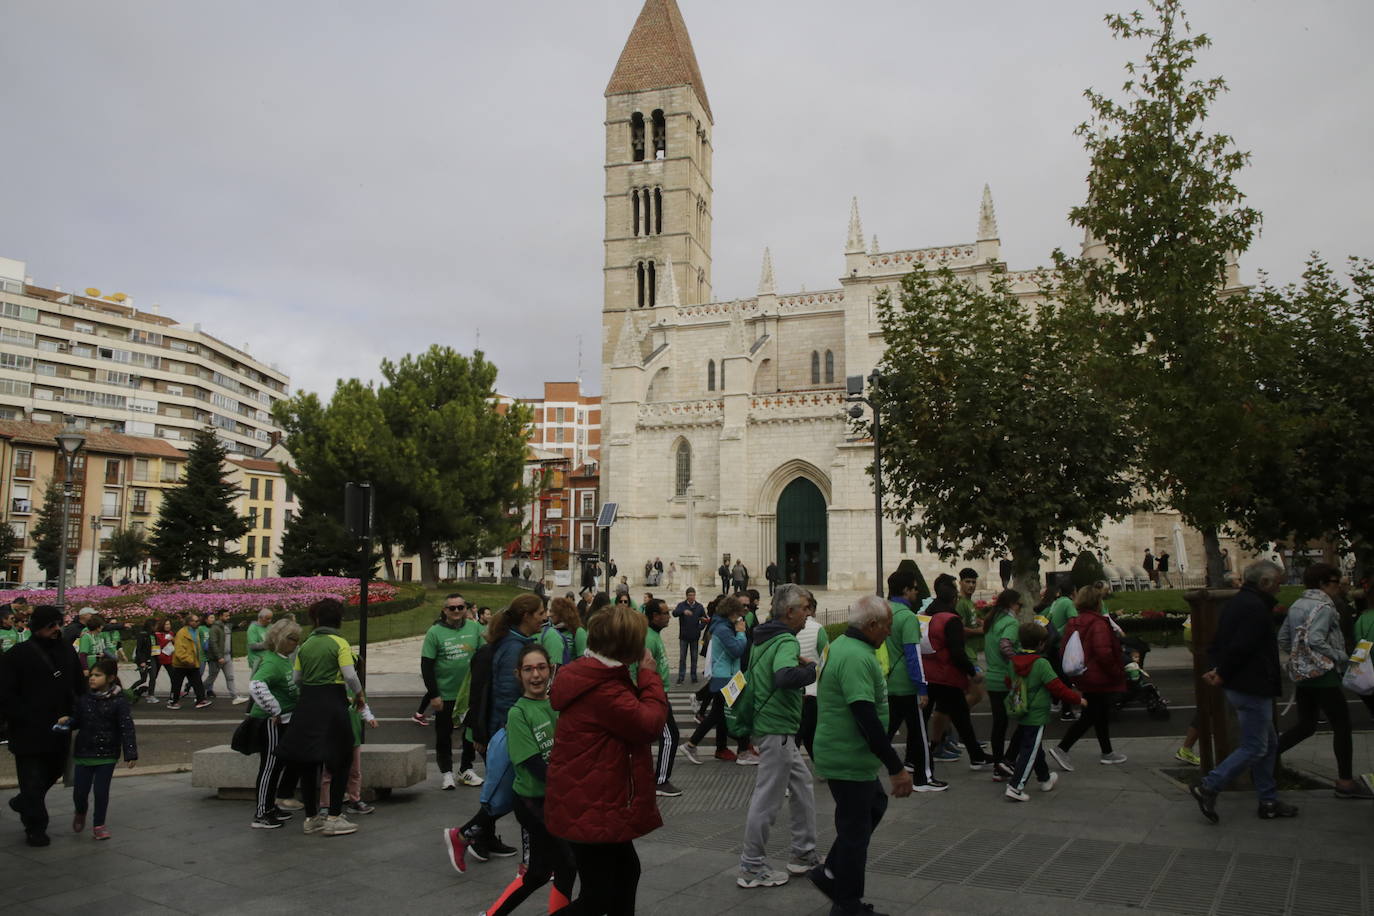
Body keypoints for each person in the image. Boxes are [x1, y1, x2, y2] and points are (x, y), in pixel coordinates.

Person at [545, 603, 667, 915]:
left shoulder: (595, 674)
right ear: (626, 647)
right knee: (598, 896)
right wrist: (650, 677)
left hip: (596, 799)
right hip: (593, 802)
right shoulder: (605, 688)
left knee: (626, 873)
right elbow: (648, 724)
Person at [809, 595, 913, 916]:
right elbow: (865, 717)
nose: (889, 633)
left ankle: (829, 874)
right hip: (848, 756)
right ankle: (847, 903)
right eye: (887, 627)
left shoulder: (840, 645)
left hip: (845, 753)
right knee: (855, 831)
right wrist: (896, 767)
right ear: (871, 625)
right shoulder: (855, 656)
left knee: (873, 806)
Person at [470, 644, 579, 910]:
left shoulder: (556, 705)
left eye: (541, 667)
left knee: (539, 874)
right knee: (567, 863)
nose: (536, 675)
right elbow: (534, 765)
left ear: (551, 669)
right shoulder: (518, 713)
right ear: (519, 674)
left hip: (555, 799)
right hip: (533, 802)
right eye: (529, 669)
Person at [1191, 560, 1299, 822]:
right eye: (1277, 584)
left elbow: (1218, 642)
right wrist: (1222, 671)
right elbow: (1242, 646)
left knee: (1269, 744)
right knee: (1255, 746)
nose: (1279, 590)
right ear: (1264, 583)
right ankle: (1209, 785)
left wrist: (1216, 668)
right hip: (1251, 684)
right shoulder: (1255, 608)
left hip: (1242, 683)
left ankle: (1268, 799)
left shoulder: (1237, 603)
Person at [737, 583, 819, 889]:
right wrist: (811, 671)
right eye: (804, 609)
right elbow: (783, 677)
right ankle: (751, 865)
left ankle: (803, 852)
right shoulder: (785, 639)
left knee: (802, 783)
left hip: (771, 725)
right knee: (768, 797)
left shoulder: (763, 636)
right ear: (790, 611)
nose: (808, 614)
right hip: (778, 728)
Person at [1275, 563, 1371, 798]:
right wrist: (1339, 657)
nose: (1340, 588)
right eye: (1335, 583)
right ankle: (1345, 782)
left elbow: (1284, 638)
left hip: (1304, 675)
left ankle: (1264, 758)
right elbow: (1316, 638)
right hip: (1323, 675)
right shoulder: (1325, 607)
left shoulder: (1298, 604)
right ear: (1322, 584)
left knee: (1306, 725)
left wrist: (1299, 658)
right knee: (1342, 725)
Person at [276, 598, 366, 837]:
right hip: (333, 703)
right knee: (340, 760)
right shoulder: (339, 643)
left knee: (308, 762)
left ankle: (311, 818)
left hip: (308, 704)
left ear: (315, 619)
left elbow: (296, 679)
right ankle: (334, 816)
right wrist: (359, 695)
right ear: (339, 620)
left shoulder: (305, 645)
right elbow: (350, 675)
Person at [0, 605, 85, 846]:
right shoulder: (17, 654)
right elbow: (6, 693)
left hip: (60, 728)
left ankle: (24, 801)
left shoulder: (66, 651)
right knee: (32, 778)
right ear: (38, 627)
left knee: (54, 771)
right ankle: (36, 827)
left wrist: (82, 711)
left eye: (58, 624)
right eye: (50, 625)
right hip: (28, 730)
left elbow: (78, 685)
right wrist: (20, 716)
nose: (56, 629)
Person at [1047, 584, 1127, 770]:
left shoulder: (1075, 621)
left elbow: (1064, 646)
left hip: (1083, 672)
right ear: (1097, 601)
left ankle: (1107, 752)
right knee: (1091, 714)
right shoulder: (1098, 623)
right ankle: (1062, 748)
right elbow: (1103, 652)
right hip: (1097, 674)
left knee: (1099, 713)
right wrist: (1116, 671)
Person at [1002, 622, 1084, 801]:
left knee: (1034, 746)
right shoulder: (1041, 663)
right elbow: (1057, 688)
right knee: (1029, 750)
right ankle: (1015, 786)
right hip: (1037, 713)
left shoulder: (1013, 661)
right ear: (1041, 643)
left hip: (1021, 709)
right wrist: (1078, 699)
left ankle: (1045, 778)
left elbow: (1008, 682)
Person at [59, 658, 137, 839]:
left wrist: (130, 752)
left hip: (107, 754)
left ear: (110, 678)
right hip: (84, 752)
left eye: (98, 675)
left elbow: (127, 727)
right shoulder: (84, 699)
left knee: (101, 792)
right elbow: (77, 721)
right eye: (91, 675)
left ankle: (99, 824)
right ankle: (80, 811)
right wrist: (66, 722)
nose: (92, 678)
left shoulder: (119, 702)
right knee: (80, 792)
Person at [882, 566, 944, 791]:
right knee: (918, 731)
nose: (917, 593)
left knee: (885, 731)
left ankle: (862, 765)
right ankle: (923, 778)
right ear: (906, 590)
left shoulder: (883, 611)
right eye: (915, 589)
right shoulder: (907, 617)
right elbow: (913, 656)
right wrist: (922, 687)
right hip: (906, 684)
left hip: (887, 681)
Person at [923, 575, 992, 769]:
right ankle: (971, 755)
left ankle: (941, 749)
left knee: (950, 714)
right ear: (953, 600)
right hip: (947, 675)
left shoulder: (929, 615)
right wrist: (972, 672)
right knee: (960, 716)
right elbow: (956, 652)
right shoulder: (951, 620)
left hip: (931, 672)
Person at [421, 594, 484, 790]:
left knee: (470, 733)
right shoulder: (434, 632)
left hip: (469, 694)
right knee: (443, 734)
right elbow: (426, 666)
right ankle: (446, 772)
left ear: (466, 608)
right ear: (444, 610)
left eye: (460, 607)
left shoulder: (475, 628)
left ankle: (465, 768)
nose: (456, 611)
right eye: (452, 608)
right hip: (445, 693)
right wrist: (434, 694)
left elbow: (483, 656)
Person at [247, 618, 303, 829]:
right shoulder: (271, 662)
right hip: (270, 722)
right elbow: (256, 685)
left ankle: (269, 806)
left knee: (277, 765)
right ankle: (262, 812)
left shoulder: (281, 659)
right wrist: (275, 709)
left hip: (283, 721)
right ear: (281, 639)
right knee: (270, 767)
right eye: (293, 639)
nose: (296, 644)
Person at [682, 594, 747, 763]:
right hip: (724, 677)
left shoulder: (722, 626)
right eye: (738, 613)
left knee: (719, 715)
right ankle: (692, 745)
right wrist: (741, 634)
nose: (740, 617)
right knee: (720, 714)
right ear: (731, 612)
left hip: (725, 676)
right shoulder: (723, 629)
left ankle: (708, 746)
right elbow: (737, 650)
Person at [643, 599, 682, 798]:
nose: (668, 616)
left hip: (659, 692)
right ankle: (660, 780)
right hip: (655, 693)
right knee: (669, 736)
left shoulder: (654, 635)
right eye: (665, 613)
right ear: (654, 616)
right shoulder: (648, 639)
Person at [982, 589, 1023, 773]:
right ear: (1012, 605)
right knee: (1025, 720)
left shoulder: (992, 621)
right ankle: (1009, 758)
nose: (1020, 609)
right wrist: (1019, 662)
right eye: (1020, 605)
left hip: (992, 677)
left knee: (999, 723)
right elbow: (1005, 645)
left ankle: (999, 762)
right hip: (1009, 679)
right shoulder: (1011, 622)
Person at [796, 590, 828, 759]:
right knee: (807, 730)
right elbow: (826, 659)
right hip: (813, 687)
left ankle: (819, 764)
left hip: (793, 685)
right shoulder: (818, 629)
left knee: (803, 731)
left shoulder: (787, 627)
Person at [166, 613, 211, 710]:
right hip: (182, 664)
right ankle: (173, 701)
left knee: (197, 682)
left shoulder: (196, 631)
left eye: (198, 621)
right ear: (189, 622)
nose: (197, 623)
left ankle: (200, 700)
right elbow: (179, 649)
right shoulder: (182, 633)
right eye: (195, 621)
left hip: (192, 663)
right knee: (177, 684)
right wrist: (187, 659)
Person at [206, 612, 246, 704]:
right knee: (211, 678)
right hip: (218, 658)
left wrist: (239, 626)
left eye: (229, 615)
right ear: (220, 616)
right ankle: (199, 694)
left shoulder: (228, 626)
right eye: (226, 616)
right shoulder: (215, 628)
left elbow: (233, 628)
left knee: (230, 677)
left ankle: (235, 696)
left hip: (227, 656)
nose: (228, 617)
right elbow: (213, 643)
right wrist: (219, 656)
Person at [672, 587, 708, 684]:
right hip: (684, 636)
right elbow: (674, 613)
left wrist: (700, 627)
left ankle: (693, 676)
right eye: (690, 595)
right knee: (682, 658)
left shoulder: (699, 607)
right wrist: (683, 612)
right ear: (687, 596)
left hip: (695, 636)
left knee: (694, 657)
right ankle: (681, 676)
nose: (692, 597)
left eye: (693, 595)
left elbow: (705, 619)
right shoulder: (681, 605)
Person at [542, 596, 586, 667]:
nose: (550, 615)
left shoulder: (578, 632)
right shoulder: (550, 630)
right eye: (550, 611)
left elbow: (583, 661)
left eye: (553, 611)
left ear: (562, 613)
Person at [130, 618, 159, 703]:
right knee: (143, 679)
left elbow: (155, 646)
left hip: (152, 658)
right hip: (143, 659)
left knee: (153, 677)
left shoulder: (153, 635)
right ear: (151, 626)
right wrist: (142, 661)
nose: (157, 627)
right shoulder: (143, 634)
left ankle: (151, 695)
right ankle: (130, 690)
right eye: (156, 625)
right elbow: (139, 650)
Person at [246, 608, 273, 674]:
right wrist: (268, 644)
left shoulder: (270, 626)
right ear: (261, 618)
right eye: (268, 619)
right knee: (258, 681)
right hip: (257, 661)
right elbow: (252, 646)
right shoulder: (253, 628)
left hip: (268, 659)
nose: (270, 621)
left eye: (270, 618)